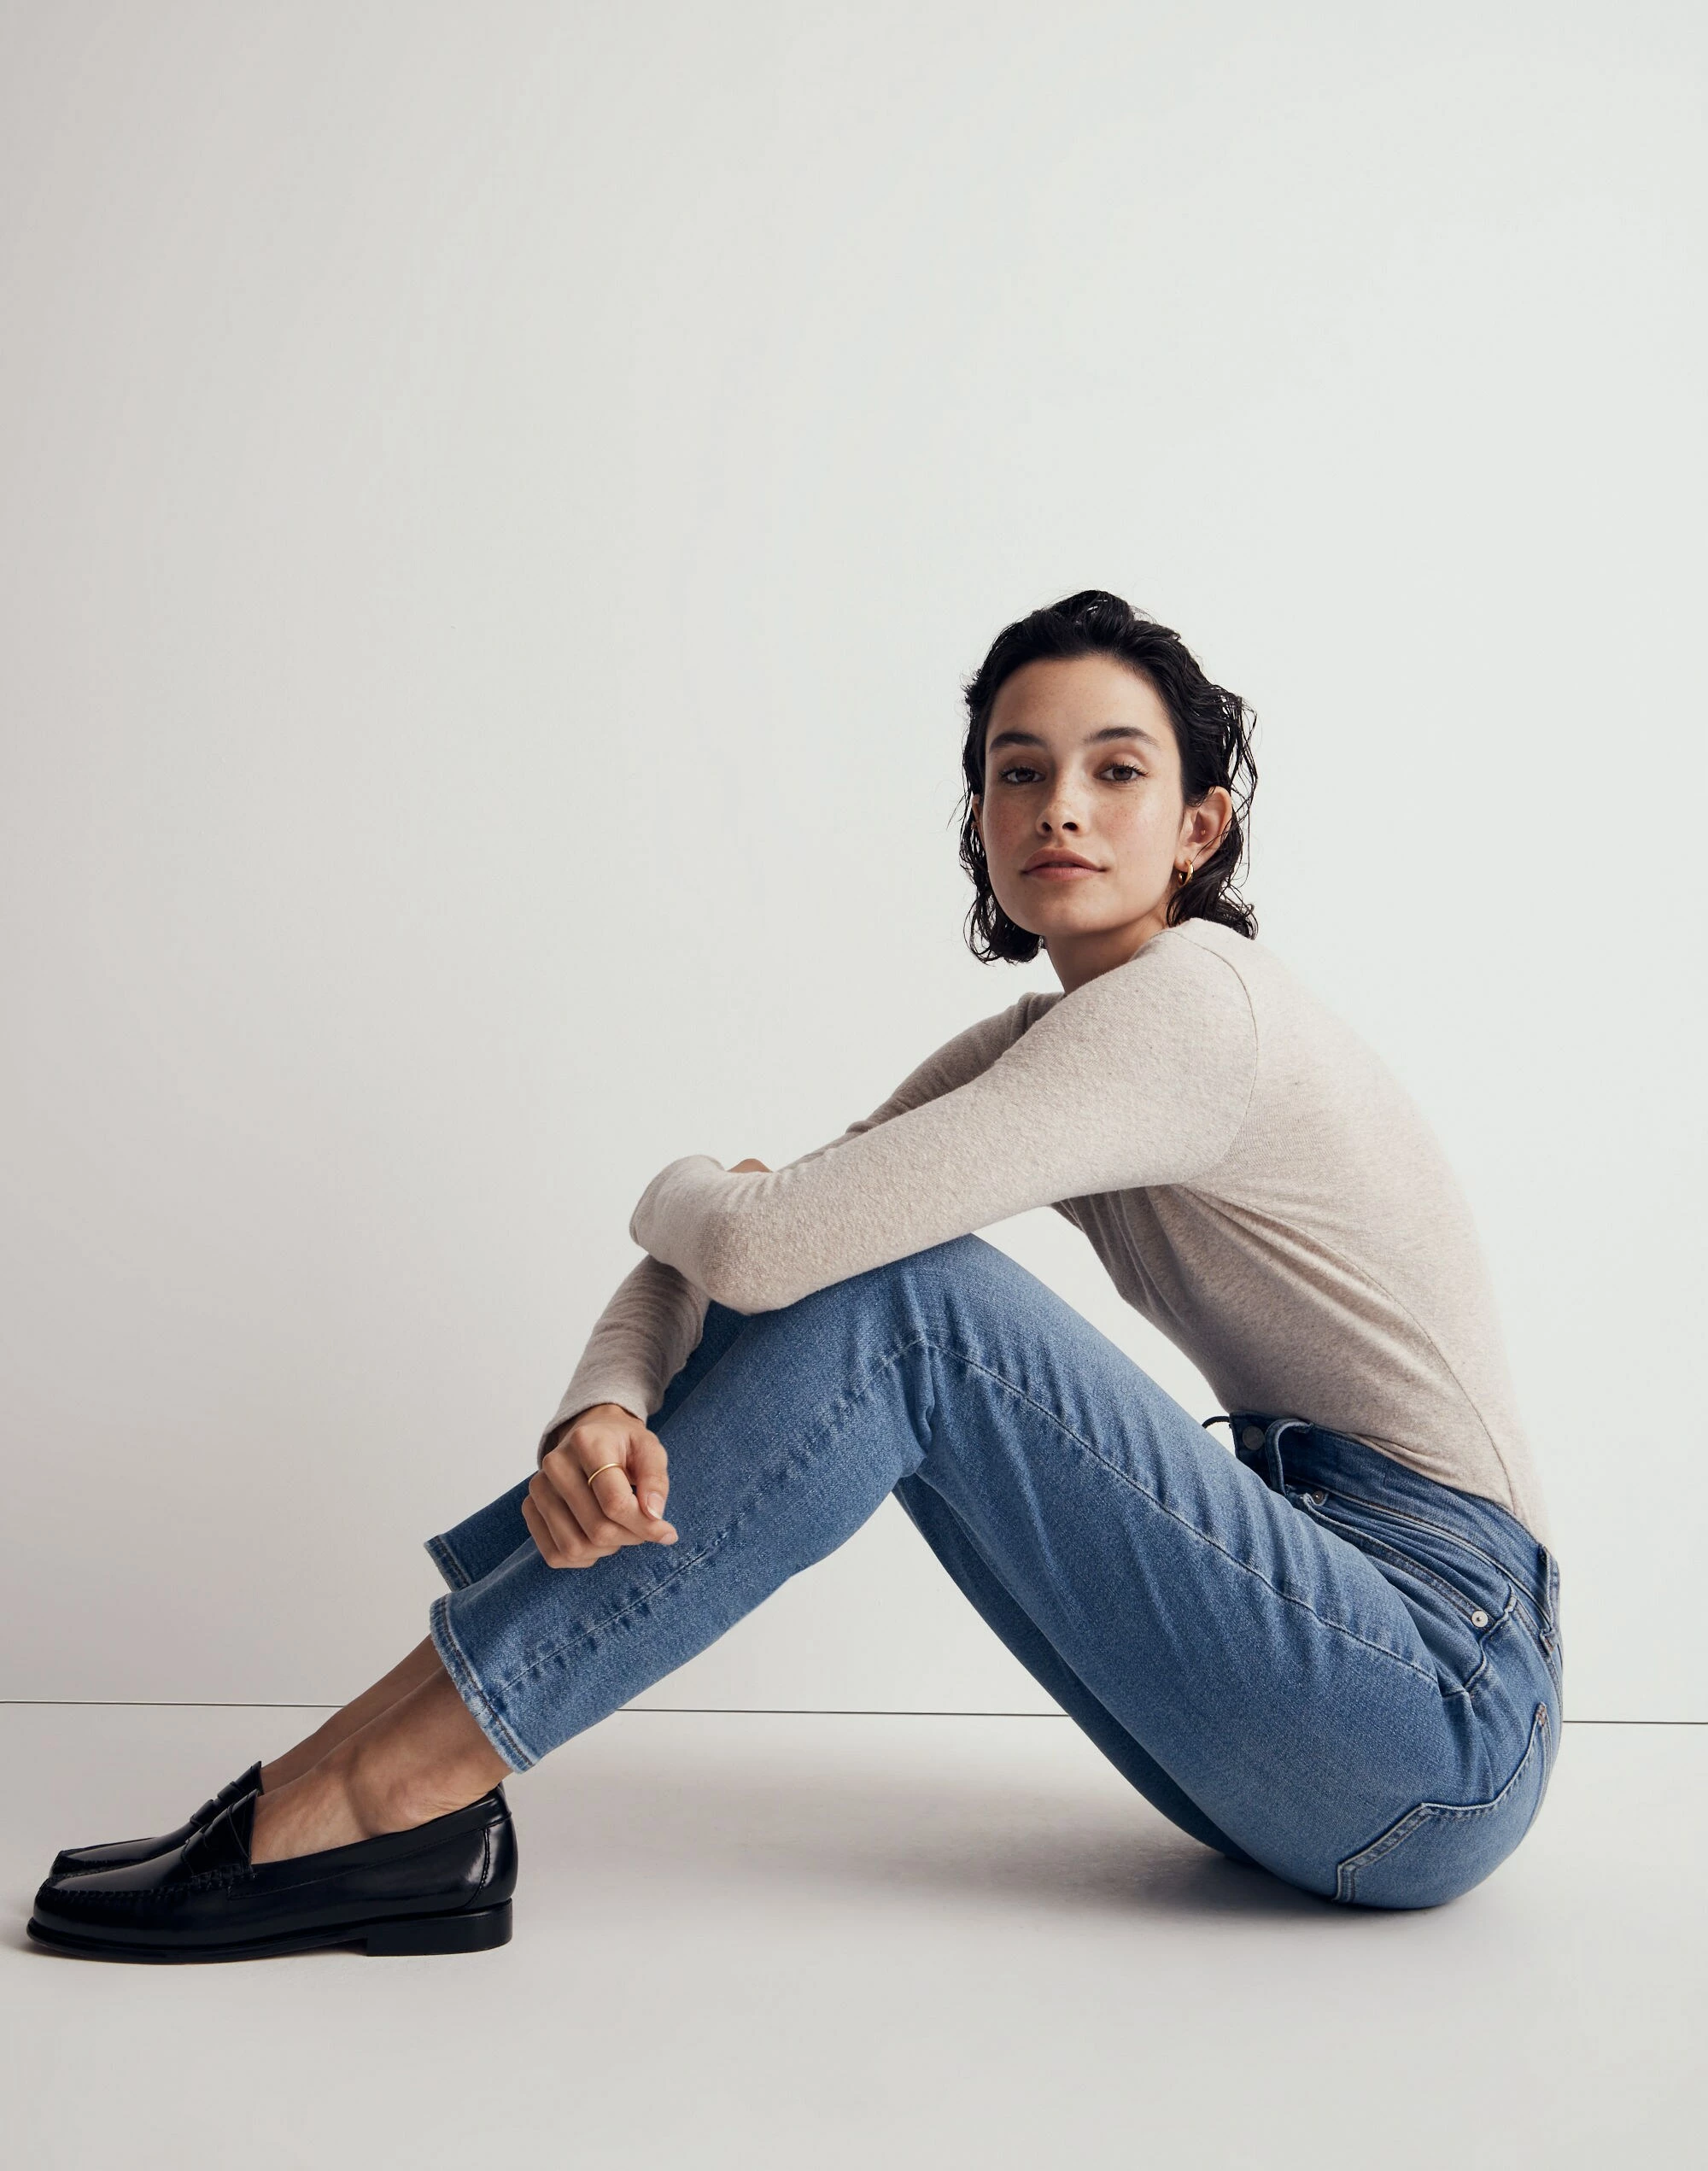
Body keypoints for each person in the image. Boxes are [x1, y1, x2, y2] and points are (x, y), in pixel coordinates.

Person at [30, 588, 1563, 1962]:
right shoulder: (1050, 1044)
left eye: (1116, 771)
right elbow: (764, 1258)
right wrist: (601, 1405)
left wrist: (678, 1183)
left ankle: (395, 1789)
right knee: (871, 1283)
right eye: (1018, 771)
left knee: (911, 1302)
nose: (1060, 807)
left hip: (1439, 1702)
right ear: (980, 819)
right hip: (1330, 1702)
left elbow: (753, 1234)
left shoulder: (1196, 1009)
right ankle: (343, 1773)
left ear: (1199, 829)